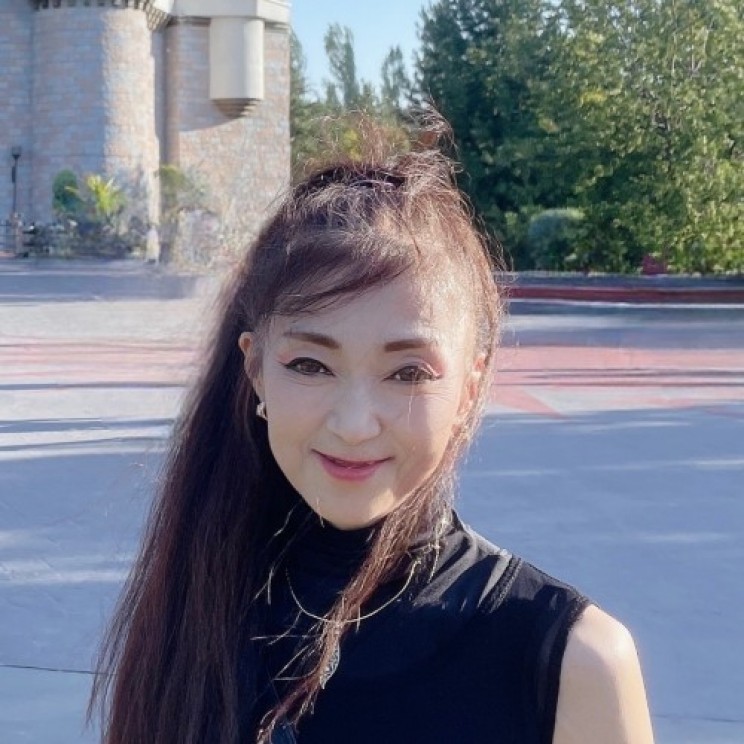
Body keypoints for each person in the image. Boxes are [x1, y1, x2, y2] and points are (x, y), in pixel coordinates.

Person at [91, 124, 654, 744]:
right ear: (255, 370)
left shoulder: (571, 663)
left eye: (408, 372)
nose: (355, 425)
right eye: (311, 365)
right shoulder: (194, 609)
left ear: (469, 390)